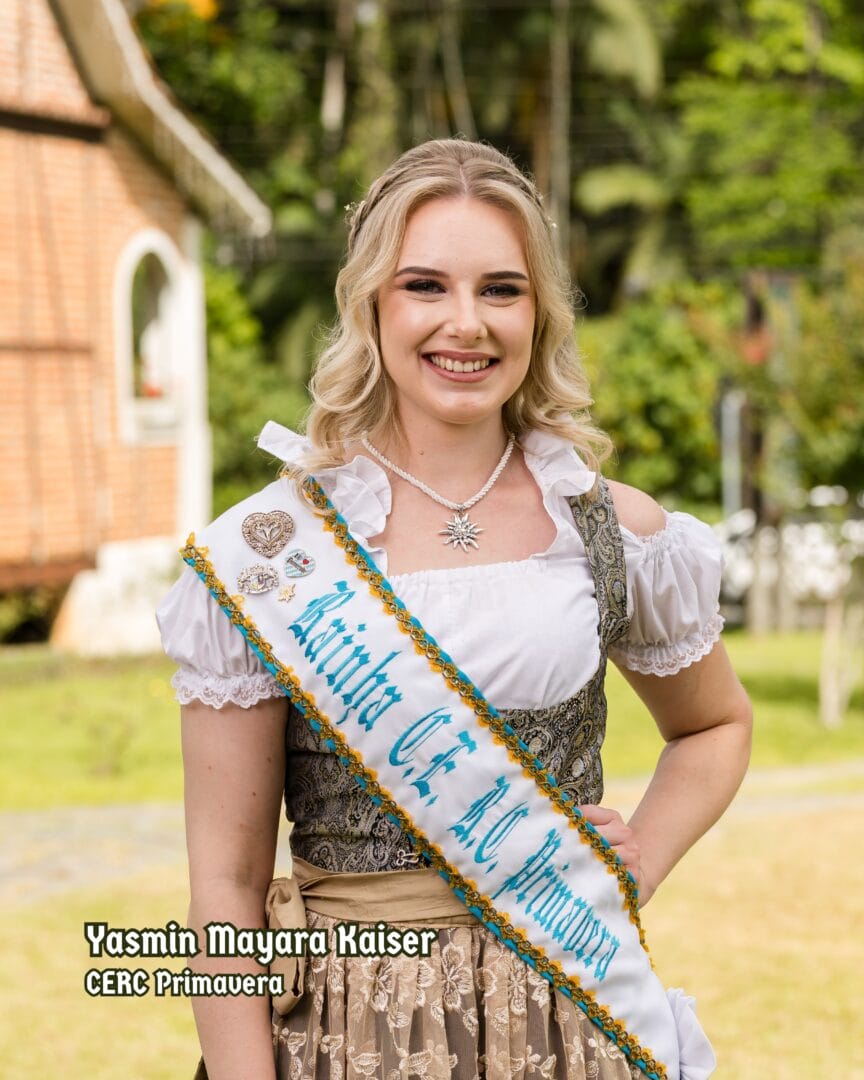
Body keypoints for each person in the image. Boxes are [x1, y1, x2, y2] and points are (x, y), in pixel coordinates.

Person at [157, 138, 752, 1080]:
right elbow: (226, 888)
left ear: (540, 311)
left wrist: (639, 857)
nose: (466, 324)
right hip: (355, 1033)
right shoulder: (271, 556)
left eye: (502, 289)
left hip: (568, 1015)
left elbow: (715, 725)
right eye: (425, 286)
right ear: (372, 304)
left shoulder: (608, 529)